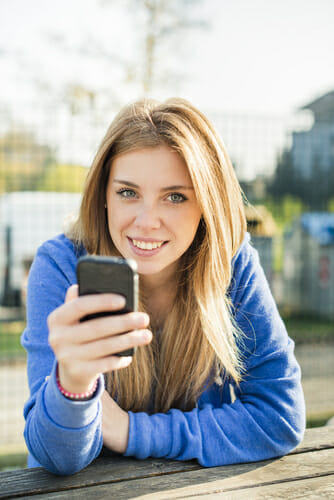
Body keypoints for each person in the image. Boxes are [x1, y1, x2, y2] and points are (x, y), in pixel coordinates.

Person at [21, 98, 305, 476]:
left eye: (175, 197)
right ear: (103, 196)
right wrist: (72, 384)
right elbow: (57, 458)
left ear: (207, 204)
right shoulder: (60, 265)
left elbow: (280, 417)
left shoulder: (229, 262)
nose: (146, 221)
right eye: (128, 192)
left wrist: (132, 432)